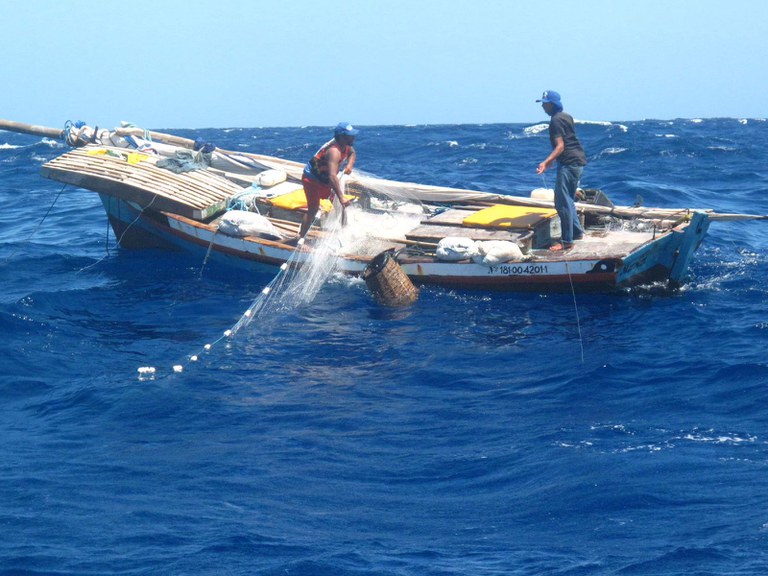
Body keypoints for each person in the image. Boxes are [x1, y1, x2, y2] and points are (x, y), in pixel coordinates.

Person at [536, 90, 587, 251]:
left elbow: (560, 146)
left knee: (561, 203)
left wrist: (546, 162)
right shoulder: (566, 116)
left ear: (553, 104)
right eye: (543, 103)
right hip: (577, 161)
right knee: (568, 199)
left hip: (569, 163)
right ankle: (577, 232)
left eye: (546, 103)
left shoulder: (555, 121)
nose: (544, 106)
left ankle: (566, 241)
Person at [297, 122, 358, 239]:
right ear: (341, 137)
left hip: (326, 179)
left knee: (341, 205)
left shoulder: (346, 145)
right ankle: (301, 239)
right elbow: (332, 176)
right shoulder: (333, 151)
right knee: (313, 209)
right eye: (350, 135)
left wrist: (350, 165)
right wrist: (341, 197)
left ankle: (344, 231)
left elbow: (352, 153)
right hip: (312, 179)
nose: (353, 138)